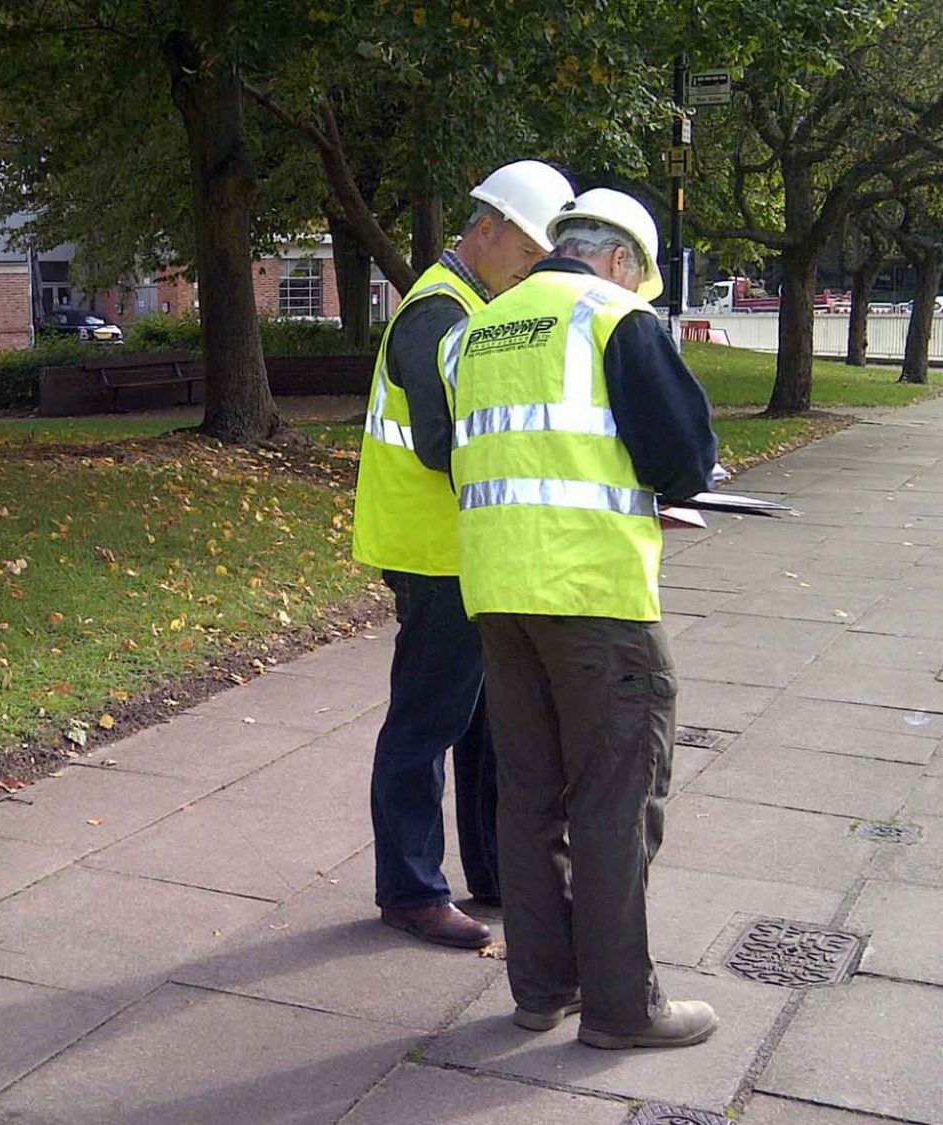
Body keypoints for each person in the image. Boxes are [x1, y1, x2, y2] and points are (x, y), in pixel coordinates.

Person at [442, 188, 720, 1047]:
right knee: (616, 798)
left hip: (497, 590)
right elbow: (685, 458)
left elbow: (448, 449)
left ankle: (542, 989)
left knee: (527, 798)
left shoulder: (473, 330)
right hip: (595, 597)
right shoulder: (614, 318)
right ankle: (622, 1007)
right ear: (625, 262)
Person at [352, 161, 575, 949]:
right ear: (490, 227)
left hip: (463, 542)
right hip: (434, 547)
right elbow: (451, 443)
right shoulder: (439, 314)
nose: (536, 265)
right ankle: (411, 889)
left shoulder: (472, 306)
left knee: (482, 717)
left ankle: (492, 872)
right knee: (429, 719)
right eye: (530, 249)